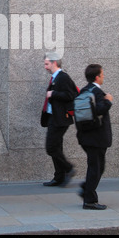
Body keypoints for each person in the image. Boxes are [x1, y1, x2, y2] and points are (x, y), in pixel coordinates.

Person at [77, 64, 113, 210]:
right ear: (97, 77)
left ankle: (87, 190)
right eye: (102, 74)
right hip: (96, 138)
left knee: (98, 166)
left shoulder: (85, 90)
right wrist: (108, 100)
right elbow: (98, 110)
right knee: (95, 168)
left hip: (87, 137)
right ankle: (90, 200)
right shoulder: (97, 93)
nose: (104, 76)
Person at [42, 53, 78, 187]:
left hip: (60, 119)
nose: (45, 67)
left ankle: (68, 169)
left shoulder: (63, 77)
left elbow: (71, 95)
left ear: (54, 63)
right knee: (56, 147)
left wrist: (53, 94)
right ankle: (59, 177)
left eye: (47, 64)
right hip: (54, 117)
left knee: (51, 147)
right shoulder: (55, 78)